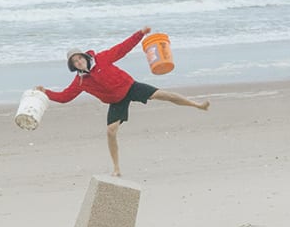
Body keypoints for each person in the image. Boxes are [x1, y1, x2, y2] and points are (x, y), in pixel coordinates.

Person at [36, 26, 209, 176]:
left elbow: (122, 48)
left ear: (84, 57)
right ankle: (116, 168)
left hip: (130, 86)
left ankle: (197, 105)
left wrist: (140, 34)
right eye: (75, 62)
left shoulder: (103, 58)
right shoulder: (80, 82)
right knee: (111, 132)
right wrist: (46, 93)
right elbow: (65, 97)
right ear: (73, 66)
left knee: (163, 95)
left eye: (79, 58)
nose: (78, 62)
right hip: (116, 100)